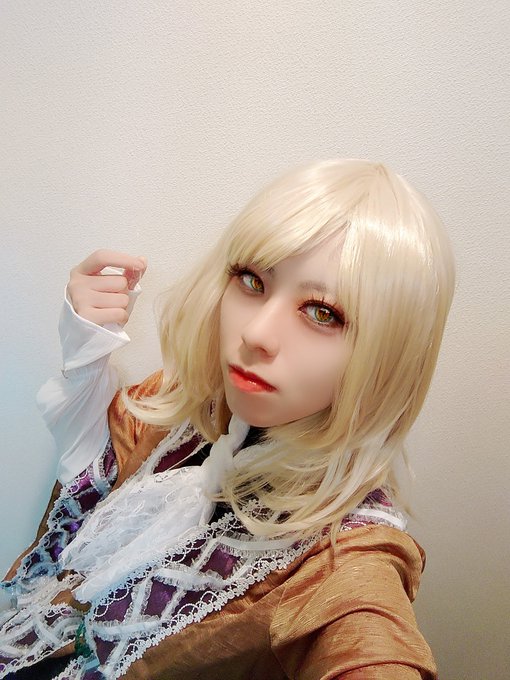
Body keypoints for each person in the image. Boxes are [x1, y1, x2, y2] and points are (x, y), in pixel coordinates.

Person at [0, 158, 455, 679]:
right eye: (252, 280)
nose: (256, 333)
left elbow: (370, 643)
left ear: (387, 355)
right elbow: (95, 469)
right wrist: (85, 357)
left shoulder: (346, 561)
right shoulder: (192, 405)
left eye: (322, 312)